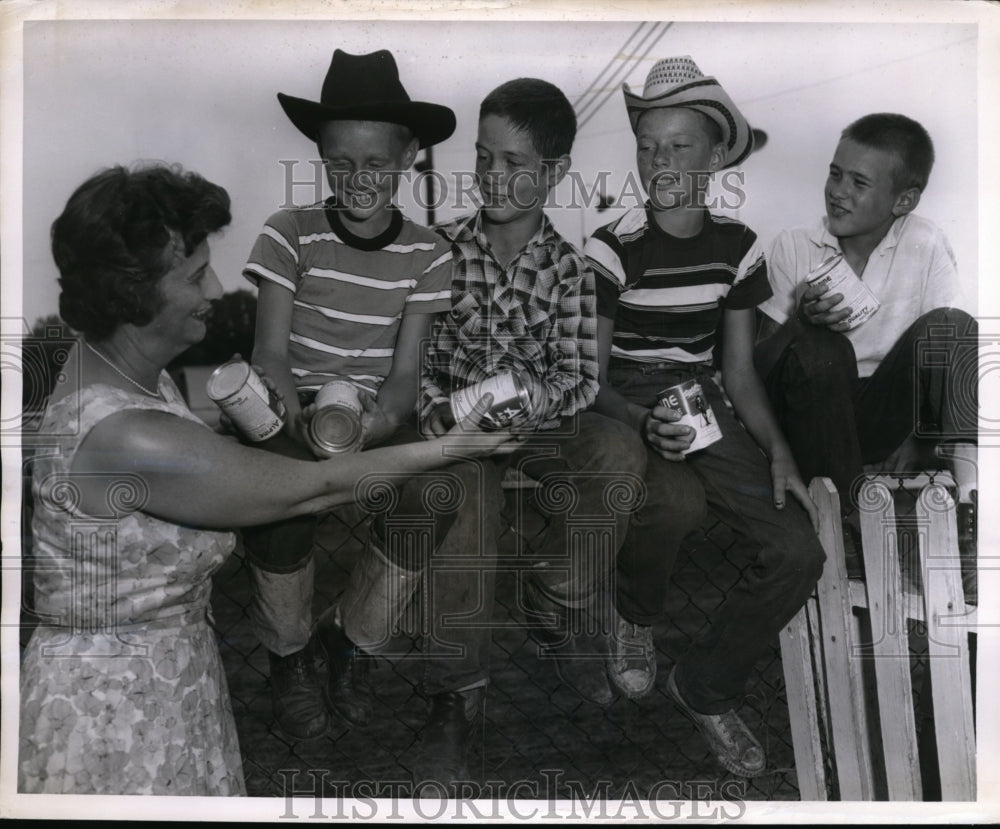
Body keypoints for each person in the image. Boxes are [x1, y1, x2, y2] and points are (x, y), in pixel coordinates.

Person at [18, 163, 509, 796]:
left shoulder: (121, 369)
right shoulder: (125, 433)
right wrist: (452, 447)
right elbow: (311, 489)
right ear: (130, 293)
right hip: (111, 718)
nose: (217, 288)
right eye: (195, 275)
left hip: (162, 686)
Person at [336, 77, 647, 787]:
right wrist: (452, 414)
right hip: (453, 428)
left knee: (618, 450)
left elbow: (578, 381)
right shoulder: (438, 252)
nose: (491, 176)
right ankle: (457, 693)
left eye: (513, 163)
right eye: (482, 157)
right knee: (467, 480)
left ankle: (559, 594)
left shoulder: (570, 272)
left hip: (540, 430)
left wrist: (533, 405)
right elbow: (413, 366)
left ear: (554, 172)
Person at [584, 56, 825, 778]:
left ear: (717, 154)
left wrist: (778, 449)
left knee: (799, 548)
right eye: (647, 145)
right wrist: (638, 416)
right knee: (674, 503)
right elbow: (586, 377)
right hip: (627, 396)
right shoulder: (611, 243)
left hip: (704, 397)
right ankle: (633, 613)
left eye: (678, 146)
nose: (659, 161)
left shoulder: (739, 246)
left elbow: (739, 370)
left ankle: (705, 683)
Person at [239, 49, 463, 740]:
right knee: (279, 495)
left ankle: (353, 642)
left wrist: (382, 419)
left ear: (408, 157)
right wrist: (297, 417)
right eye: (340, 162)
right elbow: (269, 353)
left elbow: (404, 372)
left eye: (375, 163)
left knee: (432, 492)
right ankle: (288, 653)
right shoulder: (289, 231)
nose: (358, 179)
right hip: (293, 401)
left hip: (374, 411)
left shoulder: (429, 253)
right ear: (320, 155)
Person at [755, 113, 977, 584]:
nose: (838, 191)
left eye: (858, 182)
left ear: (904, 200)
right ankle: (853, 528)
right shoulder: (794, 245)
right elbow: (759, 367)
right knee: (823, 346)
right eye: (835, 173)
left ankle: (970, 507)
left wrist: (922, 436)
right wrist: (800, 321)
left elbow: (945, 348)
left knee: (953, 323)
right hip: (808, 415)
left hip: (880, 413)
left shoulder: (926, 241)